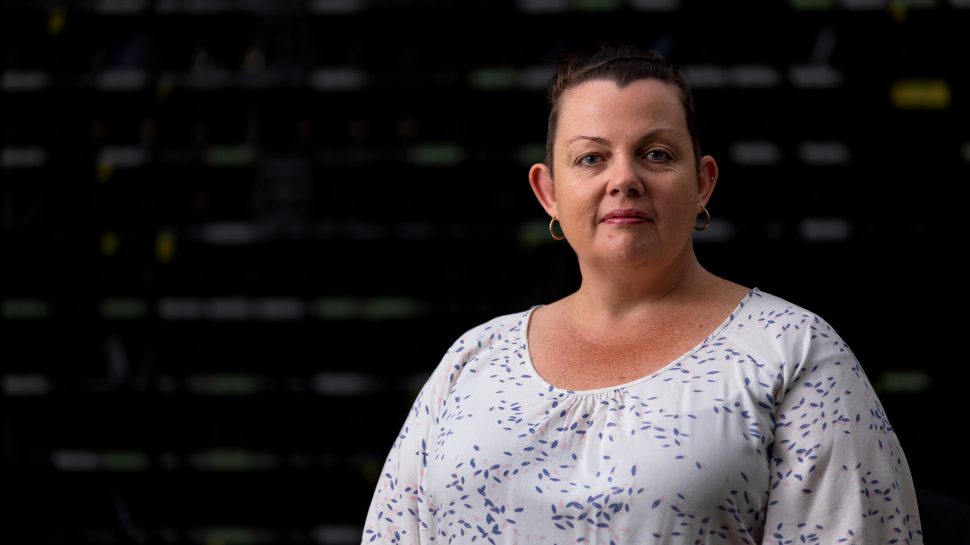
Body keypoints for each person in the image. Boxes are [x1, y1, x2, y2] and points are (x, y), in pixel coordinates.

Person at [361, 44, 923, 544]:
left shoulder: (793, 353)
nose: (623, 178)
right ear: (548, 191)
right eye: (591, 158)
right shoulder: (473, 360)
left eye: (656, 154)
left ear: (703, 182)